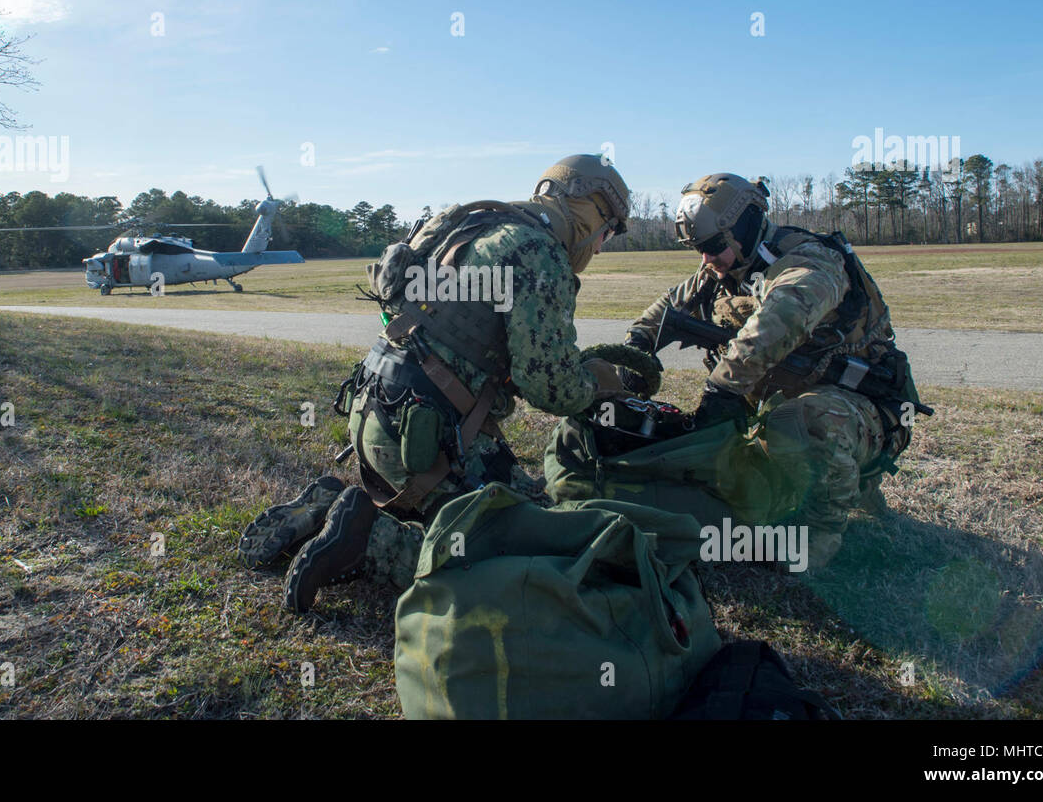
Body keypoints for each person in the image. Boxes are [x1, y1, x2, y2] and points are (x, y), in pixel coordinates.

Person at [239, 154, 633, 611]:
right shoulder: (538, 251)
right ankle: (369, 540)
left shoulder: (473, 222)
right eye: (607, 232)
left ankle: (329, 504)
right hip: (426, 439)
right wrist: (598, 383)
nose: (601, 247)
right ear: (592, 211)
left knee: (513, 508)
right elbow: (549, 386)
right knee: (537, 547)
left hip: (376, 412)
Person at [621, 173, 926, 569]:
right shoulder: (724, 273)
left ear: (743, 228)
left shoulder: (812, 262)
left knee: (800, 420)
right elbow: (669, 305)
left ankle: (821, 535)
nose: (706, 260)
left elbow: (783, 316)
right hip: (787, 408)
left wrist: (722, 390)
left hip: (864, 411)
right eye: (698, 250)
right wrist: (637, 345)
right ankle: (827, 480)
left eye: (713, 247)